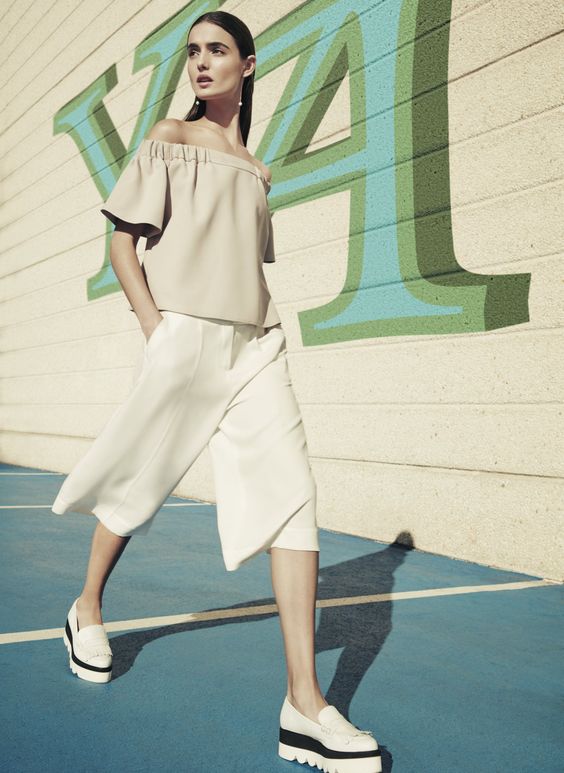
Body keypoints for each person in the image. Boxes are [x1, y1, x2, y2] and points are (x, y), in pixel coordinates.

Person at [51, 11, 381, 773]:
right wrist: (157, 330)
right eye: (194, 51)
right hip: (185, 336)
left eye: (218, 50)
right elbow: (122, 244)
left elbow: (246, 262)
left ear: (248, 64)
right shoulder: (170, 136)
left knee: (293, 496)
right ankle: (87, 605)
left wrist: (250, 333)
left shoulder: (258, 168)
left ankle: (303, 703)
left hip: (256, 343)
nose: (201, 62)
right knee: (139, 480)